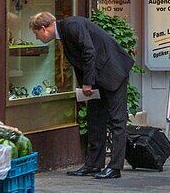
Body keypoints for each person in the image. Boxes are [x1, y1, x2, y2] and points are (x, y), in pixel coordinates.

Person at [31, 12, 134, 179]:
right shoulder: (65, 30)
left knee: (117, 120)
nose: (37, 38)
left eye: (36, 34)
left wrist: (87, 83)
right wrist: (88, 83)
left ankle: (115, 167)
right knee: (95, 119)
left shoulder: (72, 26)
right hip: (97, 78)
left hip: (113, 72)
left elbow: (89, 52)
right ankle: (93, 165)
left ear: (44, 28)